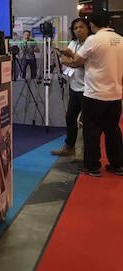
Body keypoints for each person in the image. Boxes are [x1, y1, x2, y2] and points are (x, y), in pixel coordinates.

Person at [61, 10, 123, 177]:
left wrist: (69, 57)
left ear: (92, 25)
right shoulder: (121, 39)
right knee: (113, 130)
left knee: (92, 131)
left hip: (95, 94)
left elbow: (77, 61)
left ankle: (92, 166)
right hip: (115, 94)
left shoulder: (93, 40)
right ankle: (118, 165)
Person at [51, 18, 91, 157]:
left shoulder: (91, 43)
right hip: (74, 87)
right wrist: (75, 61)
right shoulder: (73, 43)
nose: (78, 30)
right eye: (75, 28)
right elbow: (63, 60)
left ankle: (87, 152)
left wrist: (73, 60)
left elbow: (86, 64)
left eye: (81, 27)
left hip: (88, 89)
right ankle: (69, 147)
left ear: (88, 28)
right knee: (70, 117)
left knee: (87, 122)